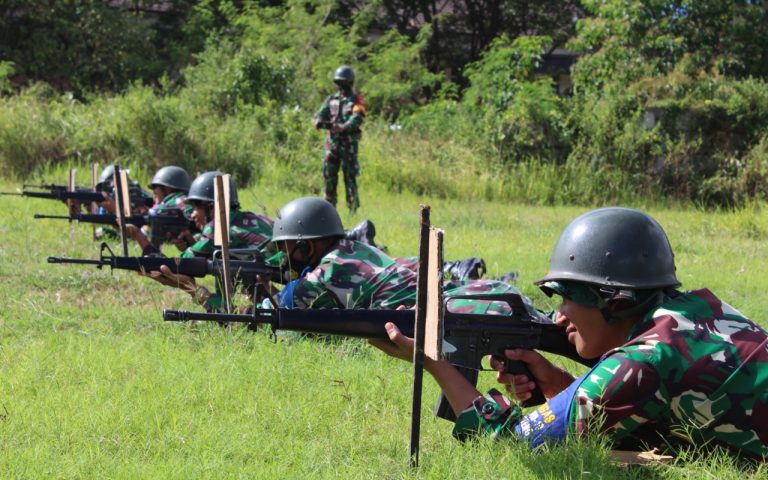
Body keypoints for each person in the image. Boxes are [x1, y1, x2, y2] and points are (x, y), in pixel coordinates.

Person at [369, 207, 768, 459]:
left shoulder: (641, 361)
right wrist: (558, 383)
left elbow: (512, 447)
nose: (559, 317)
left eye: (566, 299)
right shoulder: (697, 309)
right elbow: (644, 414)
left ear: (613, 300)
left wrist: (434, 362)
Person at [270, 197, 536, 315]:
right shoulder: (356, 249)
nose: (285, 257)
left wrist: (258, 303)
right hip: (449, 299)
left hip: (442, 312)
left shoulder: (330, 270)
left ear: (308, 247)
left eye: (288, 248)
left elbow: (288, 304)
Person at [143, 171, 275, 310]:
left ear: (211, 207)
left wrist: (155, 263)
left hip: (278, 277)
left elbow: (182, 262)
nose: (192, 215)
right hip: (281, 274)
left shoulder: (218, 226)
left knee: (229, 309)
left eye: (195, 208)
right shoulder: (245, 218)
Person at [313, 65, 365, 214]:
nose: (340, 85)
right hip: (332, 146)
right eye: (338, 82)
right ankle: (329, 211)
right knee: (329, 178)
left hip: (348, 146)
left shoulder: (356, 100)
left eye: (343, 82)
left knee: (350, 179)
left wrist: (343, 127)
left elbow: (357, 118)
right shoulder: (332, 99)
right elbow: (320, 114)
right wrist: (319, 122)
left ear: (349, 82)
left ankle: (352, 211)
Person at [122, 165, 195, 255]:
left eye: (156, 193)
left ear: (167, 190)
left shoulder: (175, 201)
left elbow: (155, 215)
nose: (154, 198)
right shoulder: (186, 201)